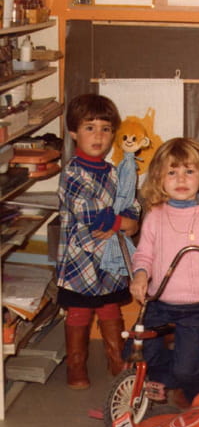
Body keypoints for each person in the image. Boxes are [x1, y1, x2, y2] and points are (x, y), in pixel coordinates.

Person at [128, 138, 199, 404]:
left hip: (198, 306)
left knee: (187, 367)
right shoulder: (155, 216)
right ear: (159, 178)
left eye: (189, 171)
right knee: (137, 348)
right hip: (159, 302)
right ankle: (169, 378)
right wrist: (140, 274)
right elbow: (144, 254)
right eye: (172, 172)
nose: (181, 179)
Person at [56, 94, 141, 389]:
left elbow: (130, 203)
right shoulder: (72, 173)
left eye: (105, 129)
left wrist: (130, 219)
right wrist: (123, 222)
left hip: (109, 256)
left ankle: (116, 358)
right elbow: (91, 214)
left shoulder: (115, 173)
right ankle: (76, 364)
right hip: (80, 259)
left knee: (109, 307)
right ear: (73, 133)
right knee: (79, 310)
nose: (98, 136)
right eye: (89, 128)